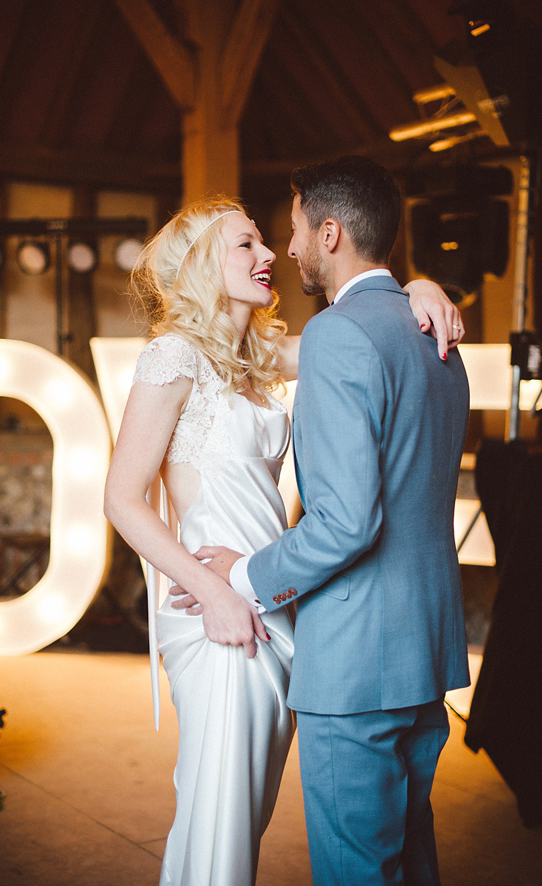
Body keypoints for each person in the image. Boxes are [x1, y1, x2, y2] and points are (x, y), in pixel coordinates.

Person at [104, 192, 464, 886]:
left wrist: (419, 286)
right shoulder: (172, 356)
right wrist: (214, 592)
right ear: (204, 262)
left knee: (252, 811)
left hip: (278, 599)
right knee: (220, 819)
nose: (269, 254)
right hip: (216, 609)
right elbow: (122, 498)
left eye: (267, 241)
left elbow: (364, 326)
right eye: (246, 244)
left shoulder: (261, 353)